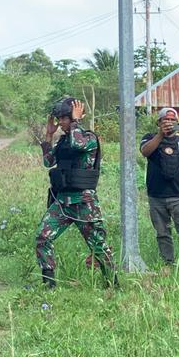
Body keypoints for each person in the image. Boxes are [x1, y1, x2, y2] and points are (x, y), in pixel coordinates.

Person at [35, 97, 114, 287]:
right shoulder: (63, 142)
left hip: (84, 202)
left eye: (65, 118)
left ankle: (112, 284)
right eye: (59, 118)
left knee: (98, 245)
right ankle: (49, 284)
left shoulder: (88, 138)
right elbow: (48, 162)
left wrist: (76, 121)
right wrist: (49, 136)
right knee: (42, 237)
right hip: (63, 202)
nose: (61, 122)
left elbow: (78, 145)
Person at [140, 106, 179, 267]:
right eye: (166, 120)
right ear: (159, 122)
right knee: (162, 232)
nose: (169, 122)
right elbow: (145, 152)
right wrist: (161, 135)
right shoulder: (149, 138)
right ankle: (168, 263)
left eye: (173, 120)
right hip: (156, 196)